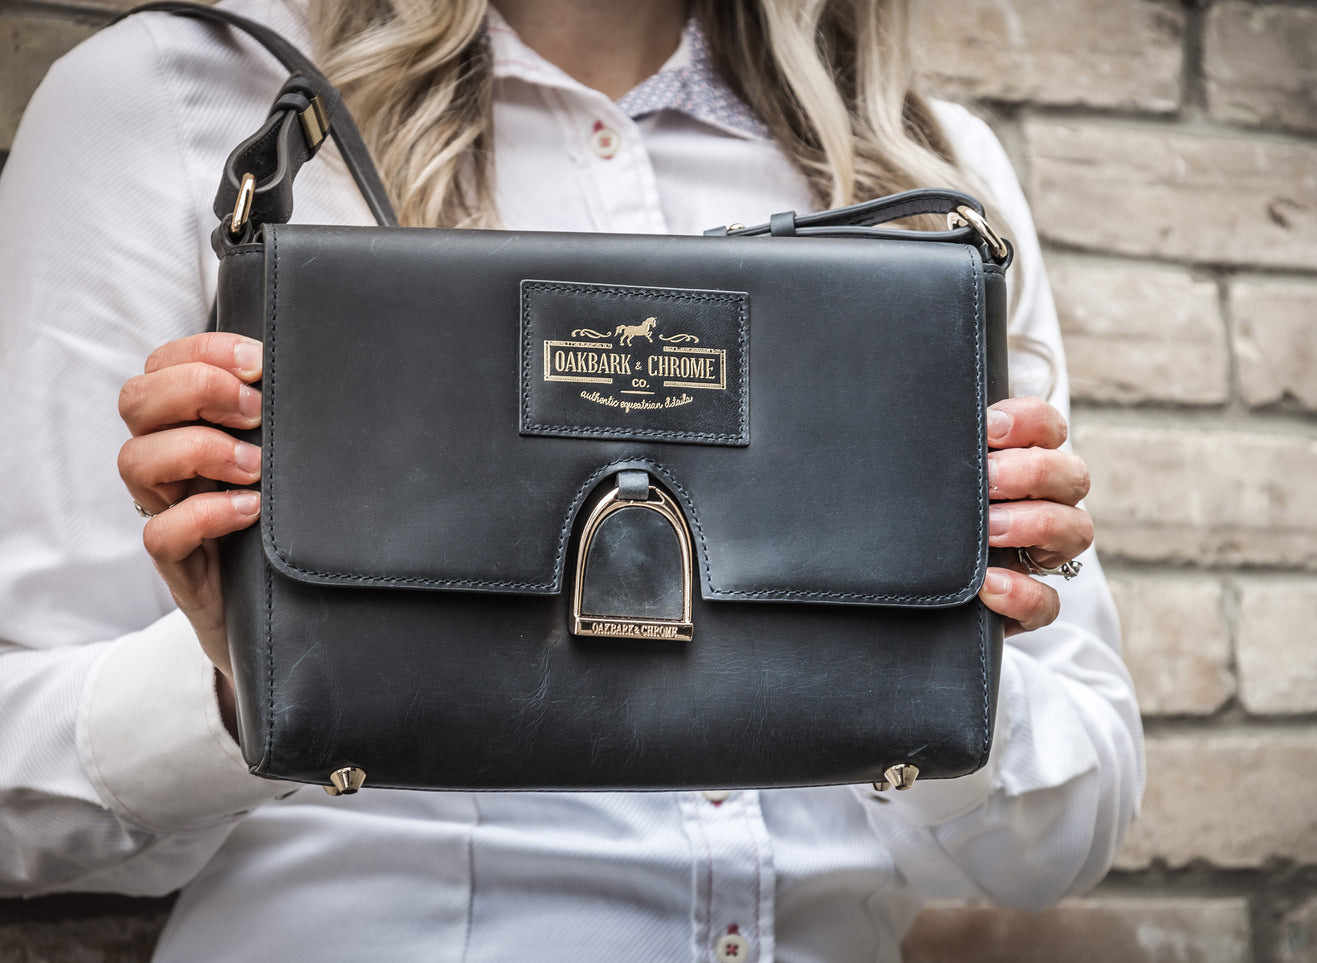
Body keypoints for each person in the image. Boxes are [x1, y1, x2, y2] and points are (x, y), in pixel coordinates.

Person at [0, 0, 1144, 959]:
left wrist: (947, 650)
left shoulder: (932, 171)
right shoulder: (180, 97)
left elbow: (1055, 846)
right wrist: (236, 677)